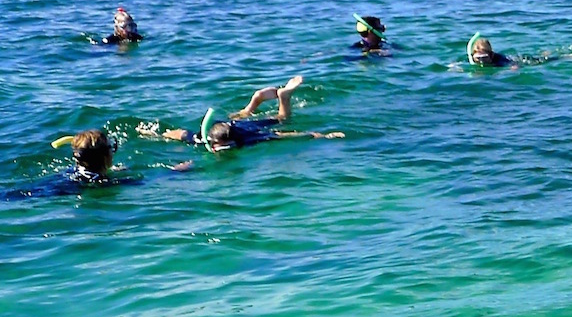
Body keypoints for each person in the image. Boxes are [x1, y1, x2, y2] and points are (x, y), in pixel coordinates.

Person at [139, 76, 343, 152]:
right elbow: (181, 133)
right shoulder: (203, 139)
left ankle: (284, 97)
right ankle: (252, 104)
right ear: (212, 143)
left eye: (228, 148)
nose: (224, 152)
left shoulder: (247, 139)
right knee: (240, 115)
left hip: (244, 128)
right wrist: (157, 134)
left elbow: (280, 135)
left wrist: (318, 135)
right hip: (227, 125)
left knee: (282, 120)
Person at [5, 128, 145, 199]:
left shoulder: (72, 171)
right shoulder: (103, 181)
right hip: (47, 194)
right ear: (105, 156)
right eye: (111, 148)